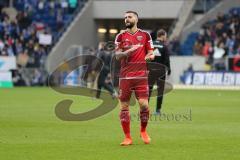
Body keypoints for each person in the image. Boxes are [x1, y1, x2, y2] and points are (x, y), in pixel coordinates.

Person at [115, 11, 154, 146]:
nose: (126, 19)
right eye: (125, 17)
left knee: (144, 105)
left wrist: (150, 56)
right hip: (125, 77)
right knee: (124, 106)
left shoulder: (145, 35)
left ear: (136, 19)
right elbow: (117, 56)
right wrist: (128, 52)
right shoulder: (120, 36)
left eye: (129, 17)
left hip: (141, 76)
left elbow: (150, 52)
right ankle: (127, 137)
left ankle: (143, 131)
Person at [148, 29, 171, 114]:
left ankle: (144, 109)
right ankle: (157, 110)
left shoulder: (150, 44)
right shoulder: (164, 47)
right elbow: (167, 60)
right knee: (160, 91)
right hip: (160, 71)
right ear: (162, 36)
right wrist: (169, 70)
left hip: (151, 70)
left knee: (149, 90)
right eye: (165, 36)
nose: (166, 37)